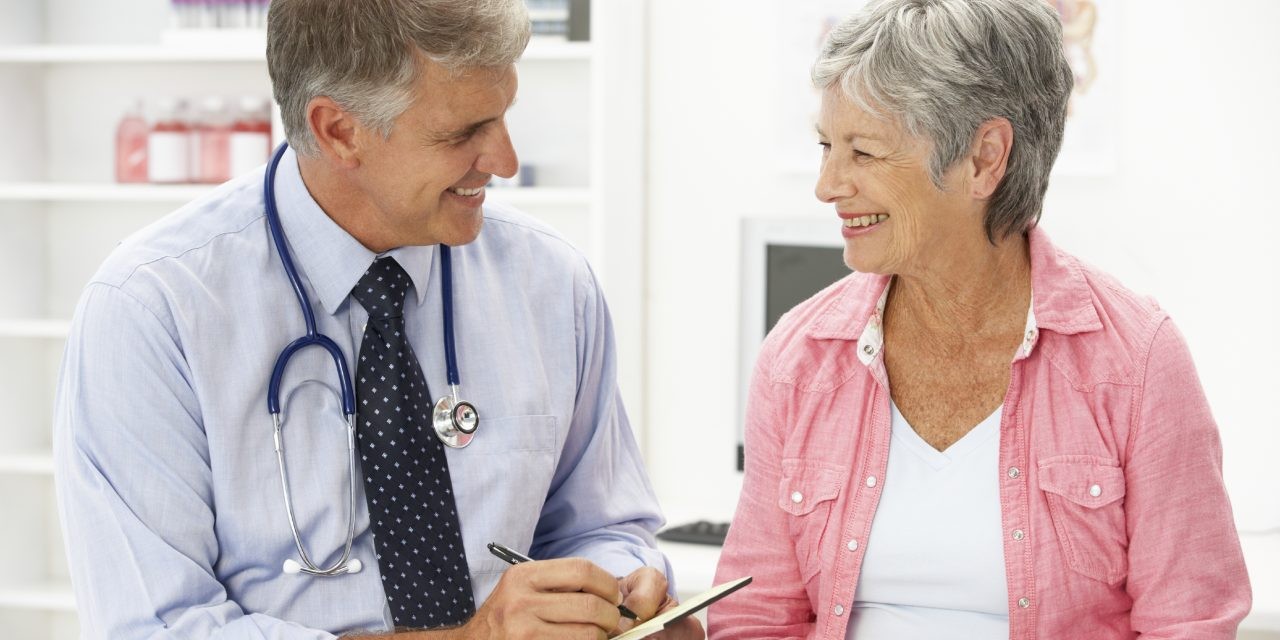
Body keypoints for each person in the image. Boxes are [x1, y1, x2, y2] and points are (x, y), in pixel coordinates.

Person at [52, 1, 702, 638]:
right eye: (463, 133)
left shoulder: (552, 283)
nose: (504, 160)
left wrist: (620, 594)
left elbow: (600, 526)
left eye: (504, 116)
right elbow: (160, 626)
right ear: (339, 131)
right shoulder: (152, 310)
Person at [709, 0, 1251, 638]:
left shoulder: (1137, 360)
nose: (827, 185)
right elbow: (756, 615)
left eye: (864, 152)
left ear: (985, 158)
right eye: (827, 146)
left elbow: (1188, 623)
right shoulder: (798, 357)